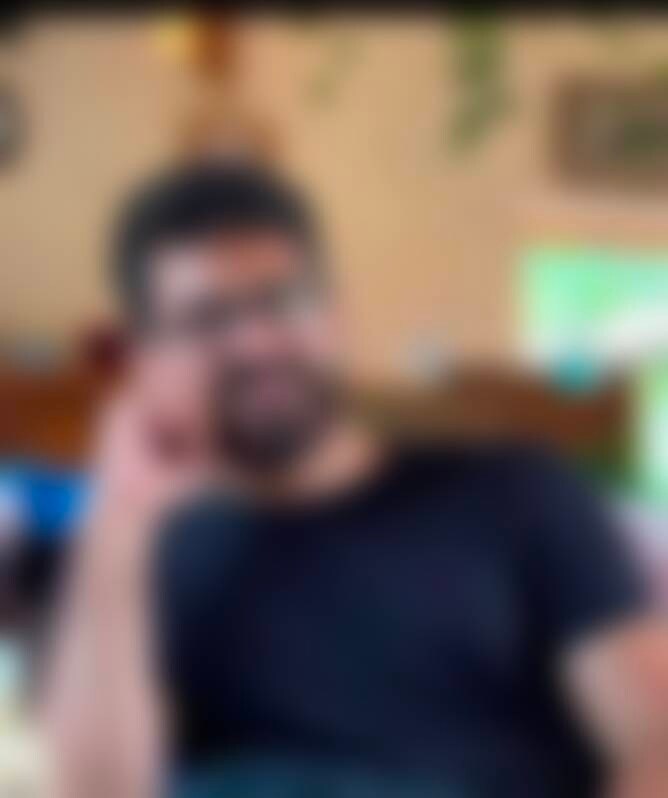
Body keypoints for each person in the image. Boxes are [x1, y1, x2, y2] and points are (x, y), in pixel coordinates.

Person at [45, 163, 668, 798]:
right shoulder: (148, 555)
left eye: (281, 301)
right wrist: (118, 521)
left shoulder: (519, 495)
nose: (257, 343)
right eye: (207, 319)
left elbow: (657, 746)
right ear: (148, 358)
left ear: (334, 315)